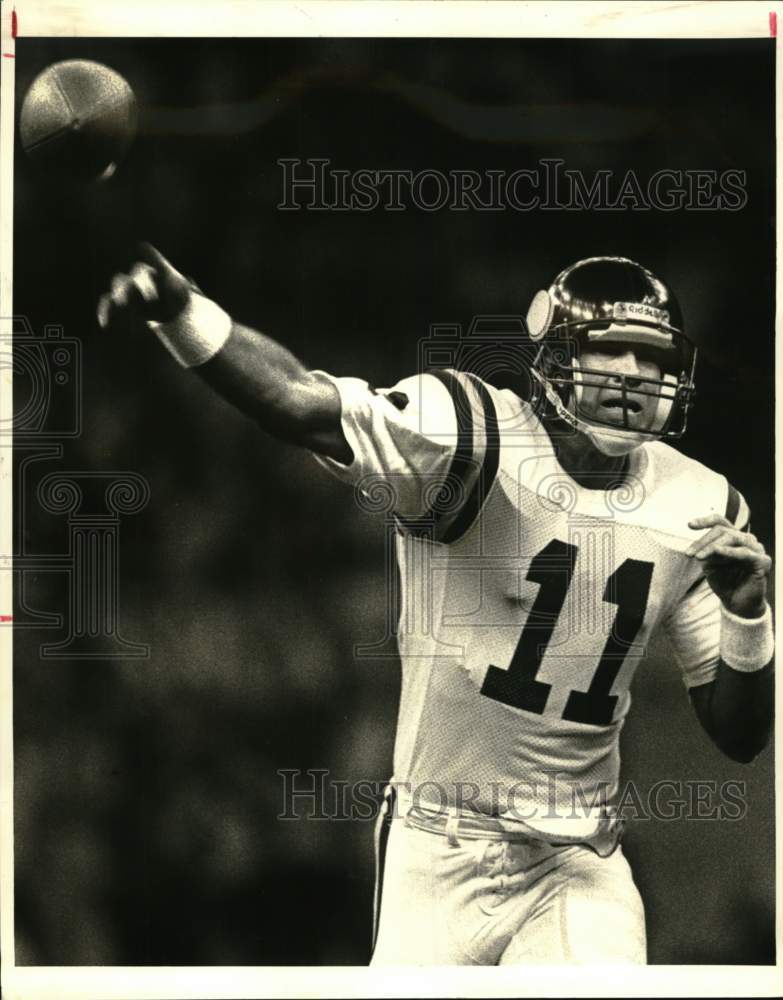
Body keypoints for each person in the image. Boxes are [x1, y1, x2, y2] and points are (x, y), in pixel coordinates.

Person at [98, 251, 774, 965]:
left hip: (574, 860)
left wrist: (748, 616)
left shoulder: (699, 501)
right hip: (436, 844)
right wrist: (181, 311)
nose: (634, 376)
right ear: (554, 355)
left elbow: (739, 735)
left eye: (652, 355)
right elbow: (295, 403)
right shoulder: (471, 437)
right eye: (612, 350)